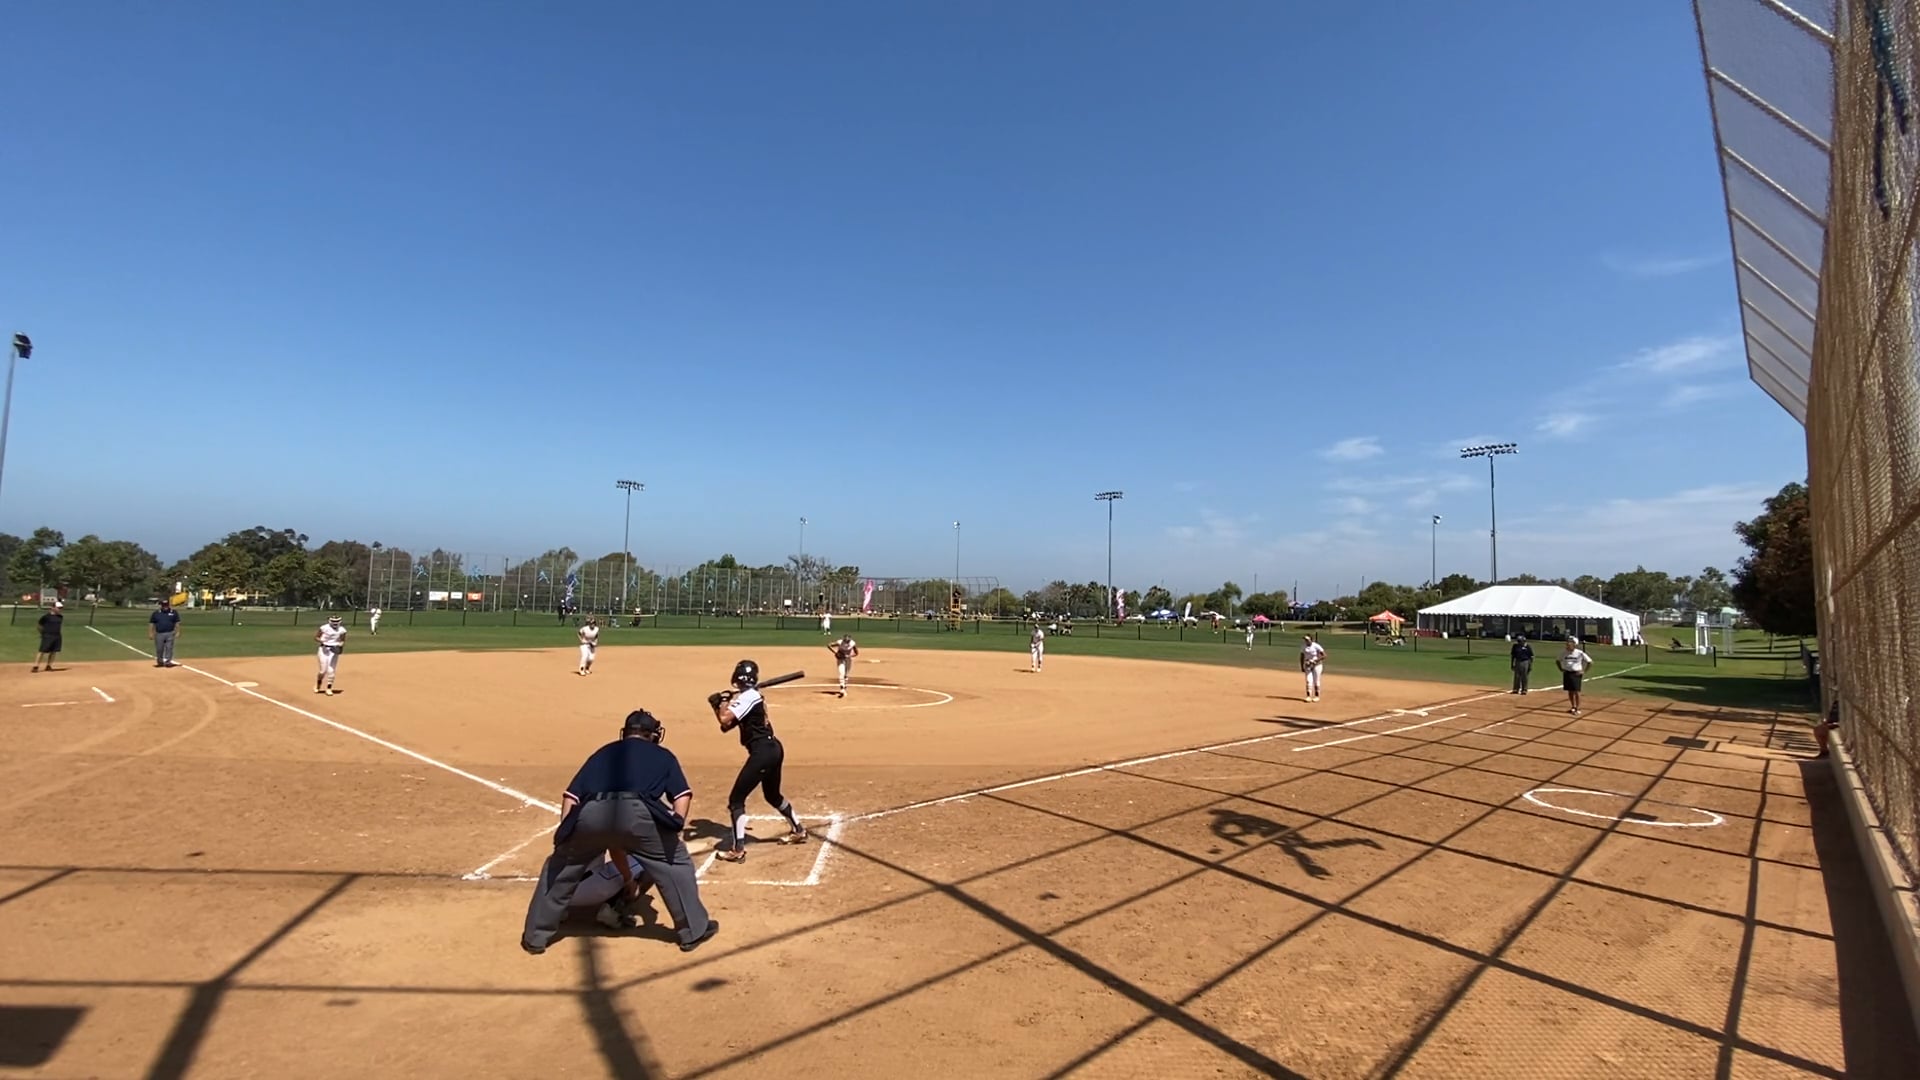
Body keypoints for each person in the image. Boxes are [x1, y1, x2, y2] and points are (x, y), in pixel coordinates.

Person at [522, 709, 718, 955]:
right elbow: (682, 795)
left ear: (625, 733)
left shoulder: (603, 752)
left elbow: (571, 796)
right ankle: (693, 931)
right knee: (675, 862)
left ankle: (535, 937)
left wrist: (566, 836)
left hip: (590, 813)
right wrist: (675, 824)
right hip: (639, 814)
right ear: (652, 735)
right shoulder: (663, 755)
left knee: (559, 867)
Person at [710, 659, 808, 863]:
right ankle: (798, 831)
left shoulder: (747, 697)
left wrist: (721, 703)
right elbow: (726, 726)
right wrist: (720, 704)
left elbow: (724, 718)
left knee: (736, 801)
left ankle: (738, 850)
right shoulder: (751, 697)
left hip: (762, 753)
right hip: (773, 749)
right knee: (772, 795)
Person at [1559, 636, 1594, 716]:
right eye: (1568, 642)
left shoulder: (1579, 653)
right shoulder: (1564, 652)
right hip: (1567, 673)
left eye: (1570, 642)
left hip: (1576, 674)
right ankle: (1573, 706)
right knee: (1570, 691)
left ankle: (1578, 708)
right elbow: (1558, 660)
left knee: (1576, 691)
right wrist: (1561, 669)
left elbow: (1590, 662)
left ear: (1575, 644)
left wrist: (1584, 671)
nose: (1568, 644)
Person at [314, 614, 346, 695]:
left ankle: (329, 688)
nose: (335, 623)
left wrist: (340, 646)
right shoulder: (324, 628)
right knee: (323, 671)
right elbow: (316, 637)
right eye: (333, 621)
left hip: (334, 650)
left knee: (331, 670)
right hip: (323, 650)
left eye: (337, 621)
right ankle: (318, 684)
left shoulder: (342, 630)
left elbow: (342, 640)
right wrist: (322, 641)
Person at [31, 601, 64, 673]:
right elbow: (39, 625)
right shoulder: (46, 617)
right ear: (53, 608)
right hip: (47, 636)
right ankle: (36, 666)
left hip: (57, 636)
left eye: (61, 608)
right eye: (58, 608)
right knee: (42, 651)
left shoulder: (60, 617)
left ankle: (49, 665)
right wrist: (43, 633)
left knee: (54, 651)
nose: (60, 609)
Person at [149, 600, 182, 668]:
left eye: (166, 605)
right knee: (159, 649)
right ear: (161, 605)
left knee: (169, 648)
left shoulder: (173, 612)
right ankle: (160, 661)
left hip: (170, 633)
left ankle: (168, 662)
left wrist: (178, 631)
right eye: (164, 605)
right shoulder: (156, 613)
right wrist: (151, 633)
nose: (165, 607)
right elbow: (152, 623)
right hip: (159, 633)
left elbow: (177, 622)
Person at [1300, 634, 1327, 702]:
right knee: (1308, 681)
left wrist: (1315, 660)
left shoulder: (1316, 646)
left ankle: (1317, 696)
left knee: (1316, 681)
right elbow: (1302, 656)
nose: (1306, 641)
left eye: (1307, 639)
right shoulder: (1303, 647)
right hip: (1308, 665)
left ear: (1311, 640)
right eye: (1305, 639)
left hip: (1317, 665)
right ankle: (1308, 696)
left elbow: (1324, 655)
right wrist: (1302, 666)